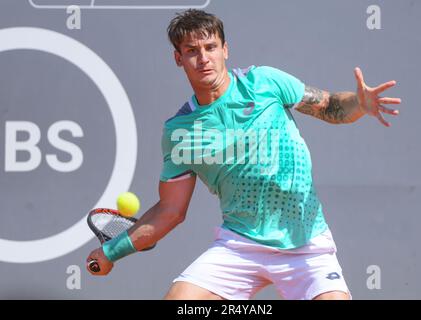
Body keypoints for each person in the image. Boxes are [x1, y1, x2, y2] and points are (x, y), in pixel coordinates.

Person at [86, 9, 401, 300]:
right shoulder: (179, 131)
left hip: (307, 247)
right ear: (178, 58)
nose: (203, 58)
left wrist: (359, 105)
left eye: (210, 47)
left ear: (225, 50)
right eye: (192, 51)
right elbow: (171, 211)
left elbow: (331, 105)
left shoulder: (264, 82)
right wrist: (110, 252)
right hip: (239, 247)